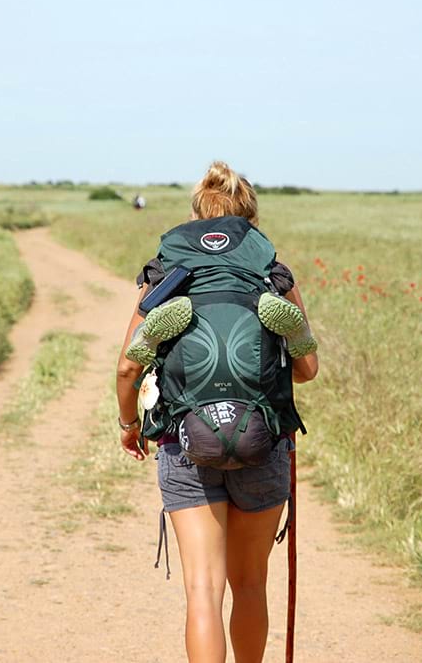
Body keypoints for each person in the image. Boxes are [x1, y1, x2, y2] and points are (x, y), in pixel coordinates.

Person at [115, 161, 319, 663]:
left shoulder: (167, 273)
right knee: (249, 585)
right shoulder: (271, 273)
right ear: (250, 221)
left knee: (203, 590)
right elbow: (308, 369)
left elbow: (126, 369)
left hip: (186, 444)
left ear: (196, 216)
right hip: (262, 439)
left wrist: (128, 425)